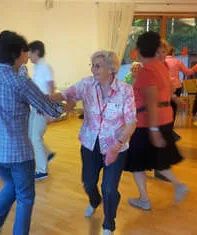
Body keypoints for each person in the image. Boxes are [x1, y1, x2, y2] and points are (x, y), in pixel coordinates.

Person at [0, 30, 64, 235]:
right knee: (25, 197)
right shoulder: (20, 82)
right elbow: (52, 109)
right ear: (15, 54)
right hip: (18, 153)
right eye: (23, 51)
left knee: (11, 185)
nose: (26, 55)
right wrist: (68, 96)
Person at [51, 50, 137, 235]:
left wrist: (118, 144)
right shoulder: (87, 84)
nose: (93, 69)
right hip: (90, 143)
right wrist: (40, 97)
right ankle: (94, 200)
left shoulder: (125, 90)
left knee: (109, 188)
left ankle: (109, 224)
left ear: (111, 68)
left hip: (116, 145)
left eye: (97, 66)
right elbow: (65, 94)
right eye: (92, 65)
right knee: (89, 183)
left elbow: (131, 122)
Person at [125, 32, 188, 211]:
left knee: (136, 162)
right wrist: (174, 100)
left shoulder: (146, 71)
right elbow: (167, 90)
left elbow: (151, 101)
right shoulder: (161, 66)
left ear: (139, 50)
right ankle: (178, 185)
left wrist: (153, 130)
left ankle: (144, 199)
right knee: (158, 159)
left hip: (148, 122)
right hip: (164, 117)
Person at [28, 40, 56, 181]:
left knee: (35, 138)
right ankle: (47, 154)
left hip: (42, 108)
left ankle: (42, 170)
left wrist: (49, 111)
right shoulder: (38, 67)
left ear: (36, 52)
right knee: (30, 135)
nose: (28, 56)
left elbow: (51, 88)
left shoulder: (45, 66)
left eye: (29, 52)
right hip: (36, 106)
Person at [165, 46, 194, 123]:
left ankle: (165, 125)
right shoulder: (177, 61)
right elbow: (187, 72)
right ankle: (171, 126)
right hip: (176, 86)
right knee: (174, 107)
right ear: (173, 53)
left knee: (165, 107)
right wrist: (194, 69)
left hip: (165, 87)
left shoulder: (162, 61)